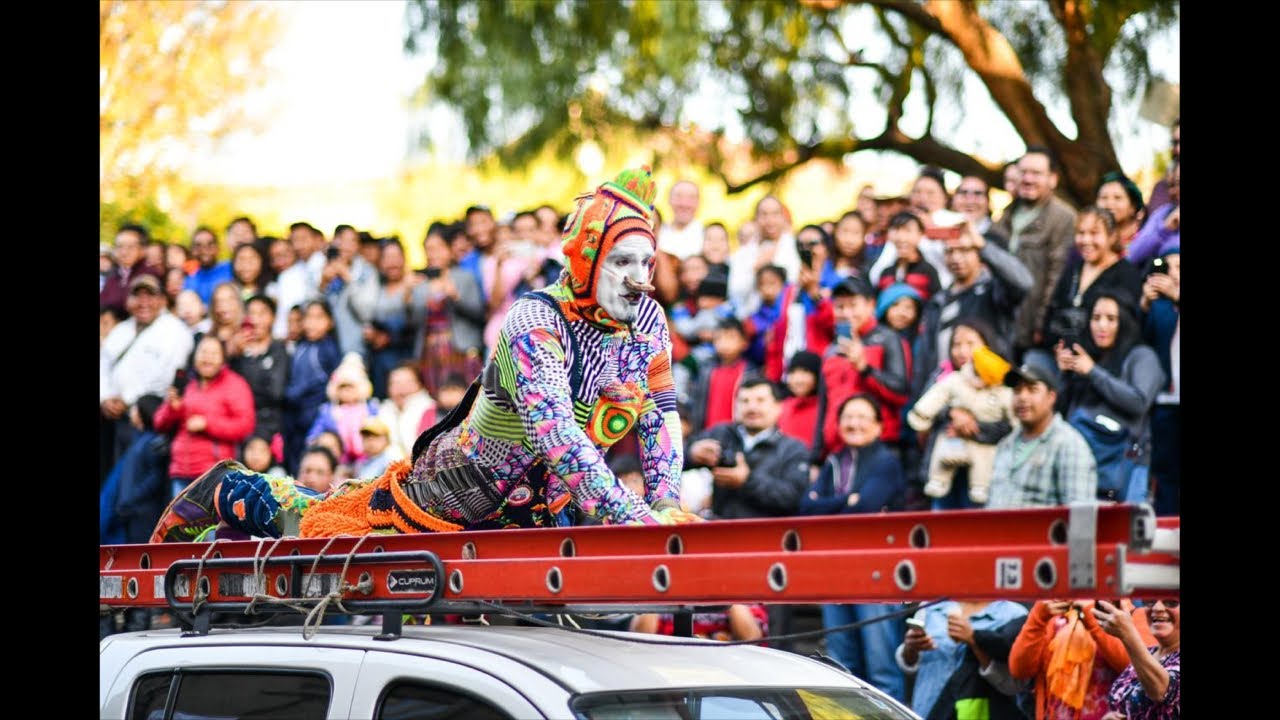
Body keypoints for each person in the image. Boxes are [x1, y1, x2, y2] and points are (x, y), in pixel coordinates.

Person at [158, 167, 696, 544]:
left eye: (647, 262)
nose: (640, 278)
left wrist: (667, 502)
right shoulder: (536, 321)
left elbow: (660, 413)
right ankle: (230, 488)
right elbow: (556, 434)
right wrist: (637, 520)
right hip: (456, 489)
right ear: (589, 254)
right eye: (624, 259)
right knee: (326, 525)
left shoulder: (646, 319)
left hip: (543, 509)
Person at [798, 393, 906, 701]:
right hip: (835, 570)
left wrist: (831, 507)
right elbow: (805, 508)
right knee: (841, 665)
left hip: (877, 572)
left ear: (878, 426)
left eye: (862, 417)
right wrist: (848, 501)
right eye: (848, 417)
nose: (854, 423)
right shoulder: (834, 461)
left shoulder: (886, 462)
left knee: (881, 665)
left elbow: (866, 507)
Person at [1053, 293, 1165, 502]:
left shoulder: (1141, 356)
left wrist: (1093, 372)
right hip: (1081, 462)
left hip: (1126, 465)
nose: (1101, 326)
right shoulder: (1087, 357)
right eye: (1096, 318)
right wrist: (1065, 374)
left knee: (1124, 531)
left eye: (1111, 319)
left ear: (1125, 321)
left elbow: (1138, 403)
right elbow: (1062, 413)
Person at [993, 145, 1078, 357]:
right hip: (998, 323)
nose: (1028, 179)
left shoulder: (1063, 218)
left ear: (1053, 179)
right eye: (1023, 172)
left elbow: (1056, 277)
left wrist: (1042, 325)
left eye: (1036, 173)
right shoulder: (1005, 215)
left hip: (1032, 330)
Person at [685, 376, 811, 519]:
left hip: (768, 535)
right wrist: (691, 453)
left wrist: (747, 481)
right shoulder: (720, 434)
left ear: (778, 407)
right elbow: (669, 461)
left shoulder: (793, 449)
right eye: (745, 401)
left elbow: (793, 499)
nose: (752, 407)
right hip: (719, 529)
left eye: (760, 400)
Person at [908, 344, 1014, 505]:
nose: (963, 350)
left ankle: (981, 486)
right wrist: (950, 413)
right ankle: (937, 480)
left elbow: (1013, 426)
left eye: (971, 343)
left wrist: (974, 428)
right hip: (947, 453)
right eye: (957, 344)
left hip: (985, 461)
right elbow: (930, 404)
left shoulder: (1003, 391)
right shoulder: (952, 380)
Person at [154, 335, 255, 499]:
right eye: (203, 352)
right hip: (180, 470)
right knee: (180, 524)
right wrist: (172, 408)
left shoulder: (235, 384)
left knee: (210, 524)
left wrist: (208, 424)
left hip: (214, 473)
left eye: (214, 353)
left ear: (223, 358)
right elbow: (159, 424)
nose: (207, 358)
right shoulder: (187, 384)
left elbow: (245, 425)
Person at [987, 360, 1097, 508]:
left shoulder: (1069, 444)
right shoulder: (1005, 444)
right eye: (1017, 390)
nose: (1022, 397)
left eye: (1032, 390)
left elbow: (1081, 517)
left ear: (1051, 397)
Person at [897, 599, 1029, 719]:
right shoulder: (931, 607)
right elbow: (910, 663)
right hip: (925, 711)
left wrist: (974, 640)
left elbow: (1012, 685)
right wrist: (911, 648)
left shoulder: (1013, 614)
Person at [1041, 208, 1144, 355]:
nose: (1086, 240)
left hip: (1100, 365)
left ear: (1112, 236)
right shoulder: (1074, 269)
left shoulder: (1126, 275)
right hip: (1058, 357)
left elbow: (1123, 331)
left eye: (1094, 233)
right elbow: (1052, 311)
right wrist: (1057, 349)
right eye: (1081, 233)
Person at [1009, 599, 1133, 720]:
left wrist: (1091, 617)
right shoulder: (1053, 617)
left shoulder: (1127, 613)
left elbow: (1133, 671)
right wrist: (1038, 617)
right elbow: (1019, 670)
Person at [1140, 247, 1180, 516]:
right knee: (1165, 474)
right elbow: (1140, 343)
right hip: (1166, 402)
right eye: (1169, 268)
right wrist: (1144, 306)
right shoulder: (1161, 307)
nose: (1174, 275)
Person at [1093, 598, 1180, 720]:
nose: (1157, 608)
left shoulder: (1138, 651)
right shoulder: (1149, 652)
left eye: (1171, 601)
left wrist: (1127, 633)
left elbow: (1162, 691)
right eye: (1150, 601)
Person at [375, 362, 438, 459]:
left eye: (408, 382)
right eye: (395, 383)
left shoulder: (429, 409)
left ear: (420, 384)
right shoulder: (384, 410)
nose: (401, 388)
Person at [182, 227, 234, 305]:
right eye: (198, 246)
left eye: (210, 244)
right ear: (192, 251)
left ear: (217, 248)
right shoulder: (189, 280)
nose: (204, 250)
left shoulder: (232, 268)